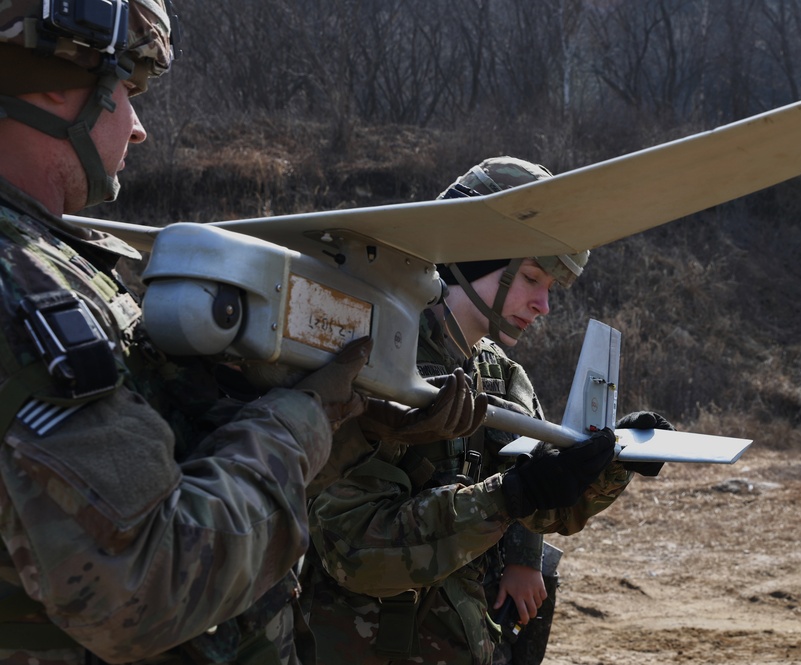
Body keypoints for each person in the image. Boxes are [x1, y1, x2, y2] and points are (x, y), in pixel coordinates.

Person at [0, 3, 483, 664]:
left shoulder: (46, 261)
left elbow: (170, 474)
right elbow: (146, 581)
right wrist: (302, 419)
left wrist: (346, 427)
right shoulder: (21, 286)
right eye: (127, 89)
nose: (137, 128)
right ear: (57, 77)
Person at [303, 157, 675, 664]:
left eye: (549, 286)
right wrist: (510, 495)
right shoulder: (376, 363)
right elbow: (357, 551)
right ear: (473, 257)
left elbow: (546, 506)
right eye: (531, 277)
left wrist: (606, 466)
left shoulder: (499, 374)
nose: (543, 305)